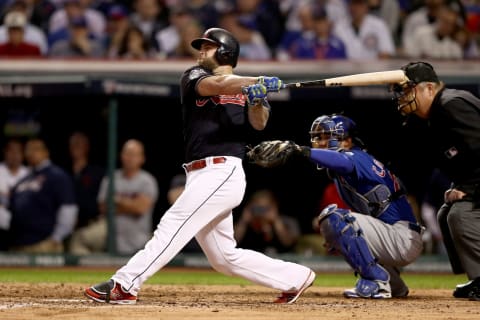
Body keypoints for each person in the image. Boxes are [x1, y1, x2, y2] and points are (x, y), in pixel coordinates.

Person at [84, 27, 315, 305]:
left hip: (223, 171)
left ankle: (125, 284)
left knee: (173, 223)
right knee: (223, 257)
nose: (201, 51)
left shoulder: (245, 88)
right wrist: (255, 81)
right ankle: (296, 277)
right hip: (199, 173)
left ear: (226, 51)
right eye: (201, 46)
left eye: (208, 46)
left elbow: (259, 122)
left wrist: (256, 98)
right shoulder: (195, 76)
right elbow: (217, 86)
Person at [291, 114, 423, 298]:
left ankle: (376, 282)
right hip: (397, 235)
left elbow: (344, 162)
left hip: (401, 237)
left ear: (347, 141)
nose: (320, 143)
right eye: (317, 138)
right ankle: (393, 285)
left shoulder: (356, 157)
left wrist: (300, 151)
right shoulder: (344, 170)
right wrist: (340, 238)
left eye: (327, 137)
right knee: (340, 224)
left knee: (334, 218)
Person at [390, 61, 480, 301]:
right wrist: (459, 187)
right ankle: (478, 279)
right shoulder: (436, 114)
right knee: (446, 211)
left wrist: (470, 190)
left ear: (429, 88)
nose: (402, 96)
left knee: (460, 214)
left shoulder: (451, 104)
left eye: (408, 89)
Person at [69, 139, 158, 256]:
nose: (130, 158)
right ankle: (92, 269)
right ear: (121, 156)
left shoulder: (147, 180)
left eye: (134, 155)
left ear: (142, 158)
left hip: (137, 236)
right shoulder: (111, 178)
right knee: (79, 239)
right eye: (127, 154)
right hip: (109, 233)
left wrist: (117, 200)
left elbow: (140, 208)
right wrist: (131, 205)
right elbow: (102, 207)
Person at [4, 138, 78, 253]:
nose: (30, 153)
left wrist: (56, 238)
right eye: (28, 150)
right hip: (19, 245)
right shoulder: (23, 179)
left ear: (46, 152)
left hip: (43, 244)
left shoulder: (56, 175)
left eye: (35, 149)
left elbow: (68, 209)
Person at [234, 189, 301, 255]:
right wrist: (243, 221)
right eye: (258, 208)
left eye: (266, 208)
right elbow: (233, 241)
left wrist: (276, 221)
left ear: (275, 206)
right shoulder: (245, 224)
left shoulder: (289, 222)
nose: (261, 212)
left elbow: (288, 243)